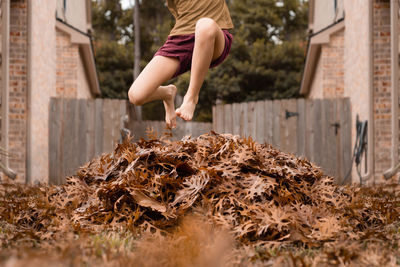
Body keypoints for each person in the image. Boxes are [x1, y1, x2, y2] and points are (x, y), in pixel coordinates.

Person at [128, 0, 234, 129]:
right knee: (136, 95)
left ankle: (192, 97)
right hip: (181, 38)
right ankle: (167, 93)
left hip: (213, 36)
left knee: (205, 25)